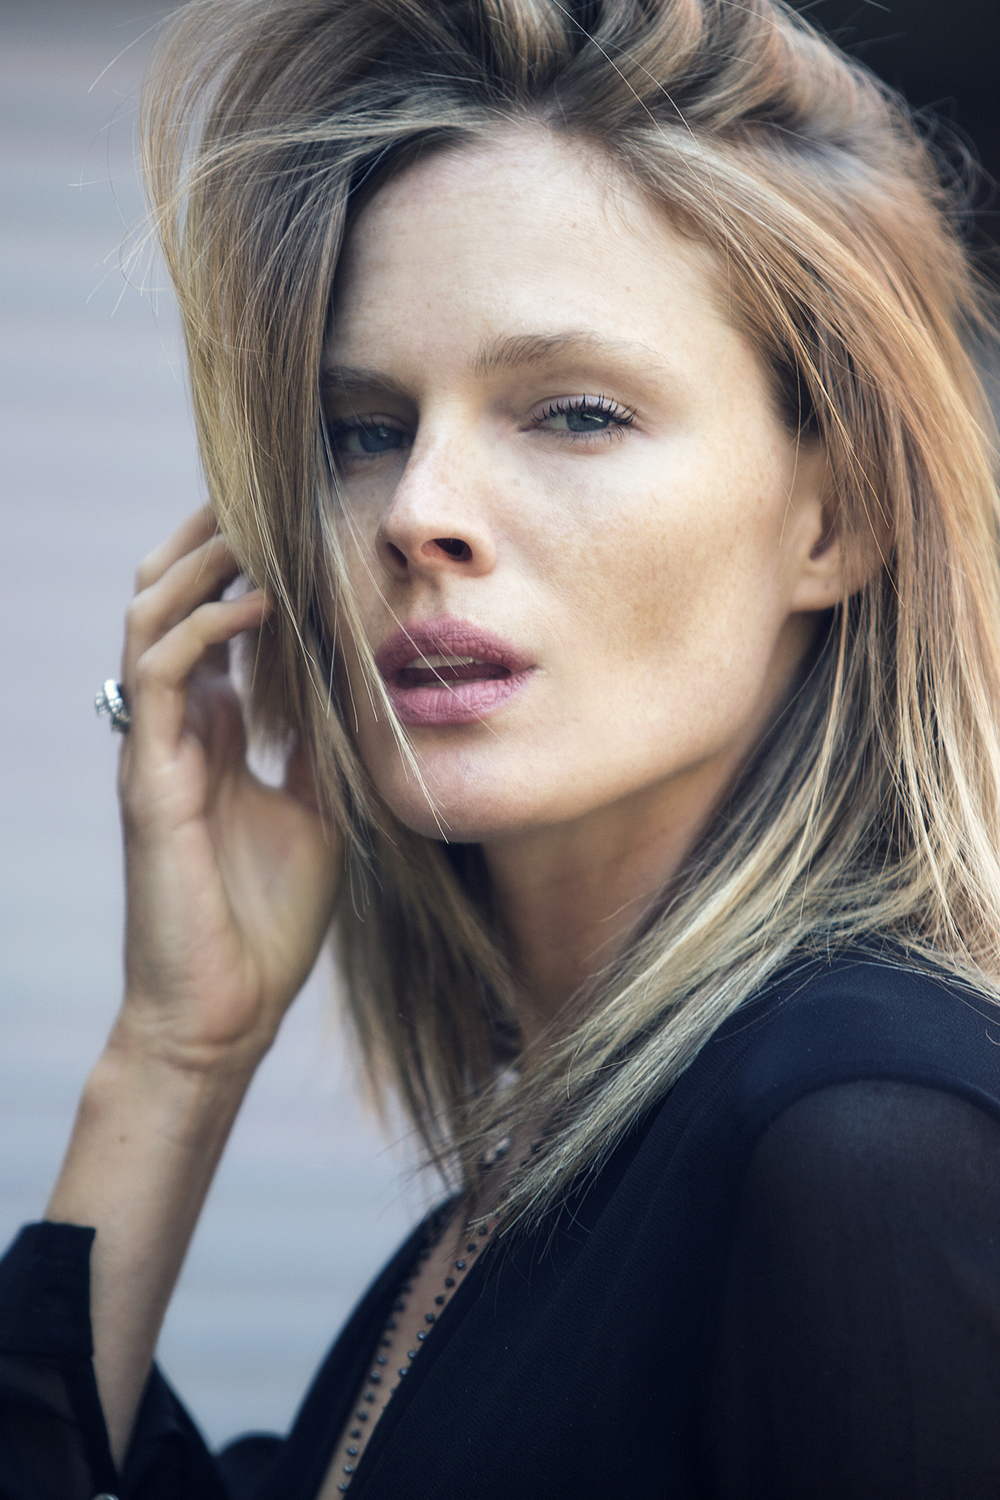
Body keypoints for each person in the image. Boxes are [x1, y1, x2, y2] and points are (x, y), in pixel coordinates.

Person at [4, 0, 1000, 1495]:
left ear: (836, 516)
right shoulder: (550, 1181)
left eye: (574, 414)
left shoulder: (862, 1141)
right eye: (364, 429)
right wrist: (175, 1052)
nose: (419, 512)